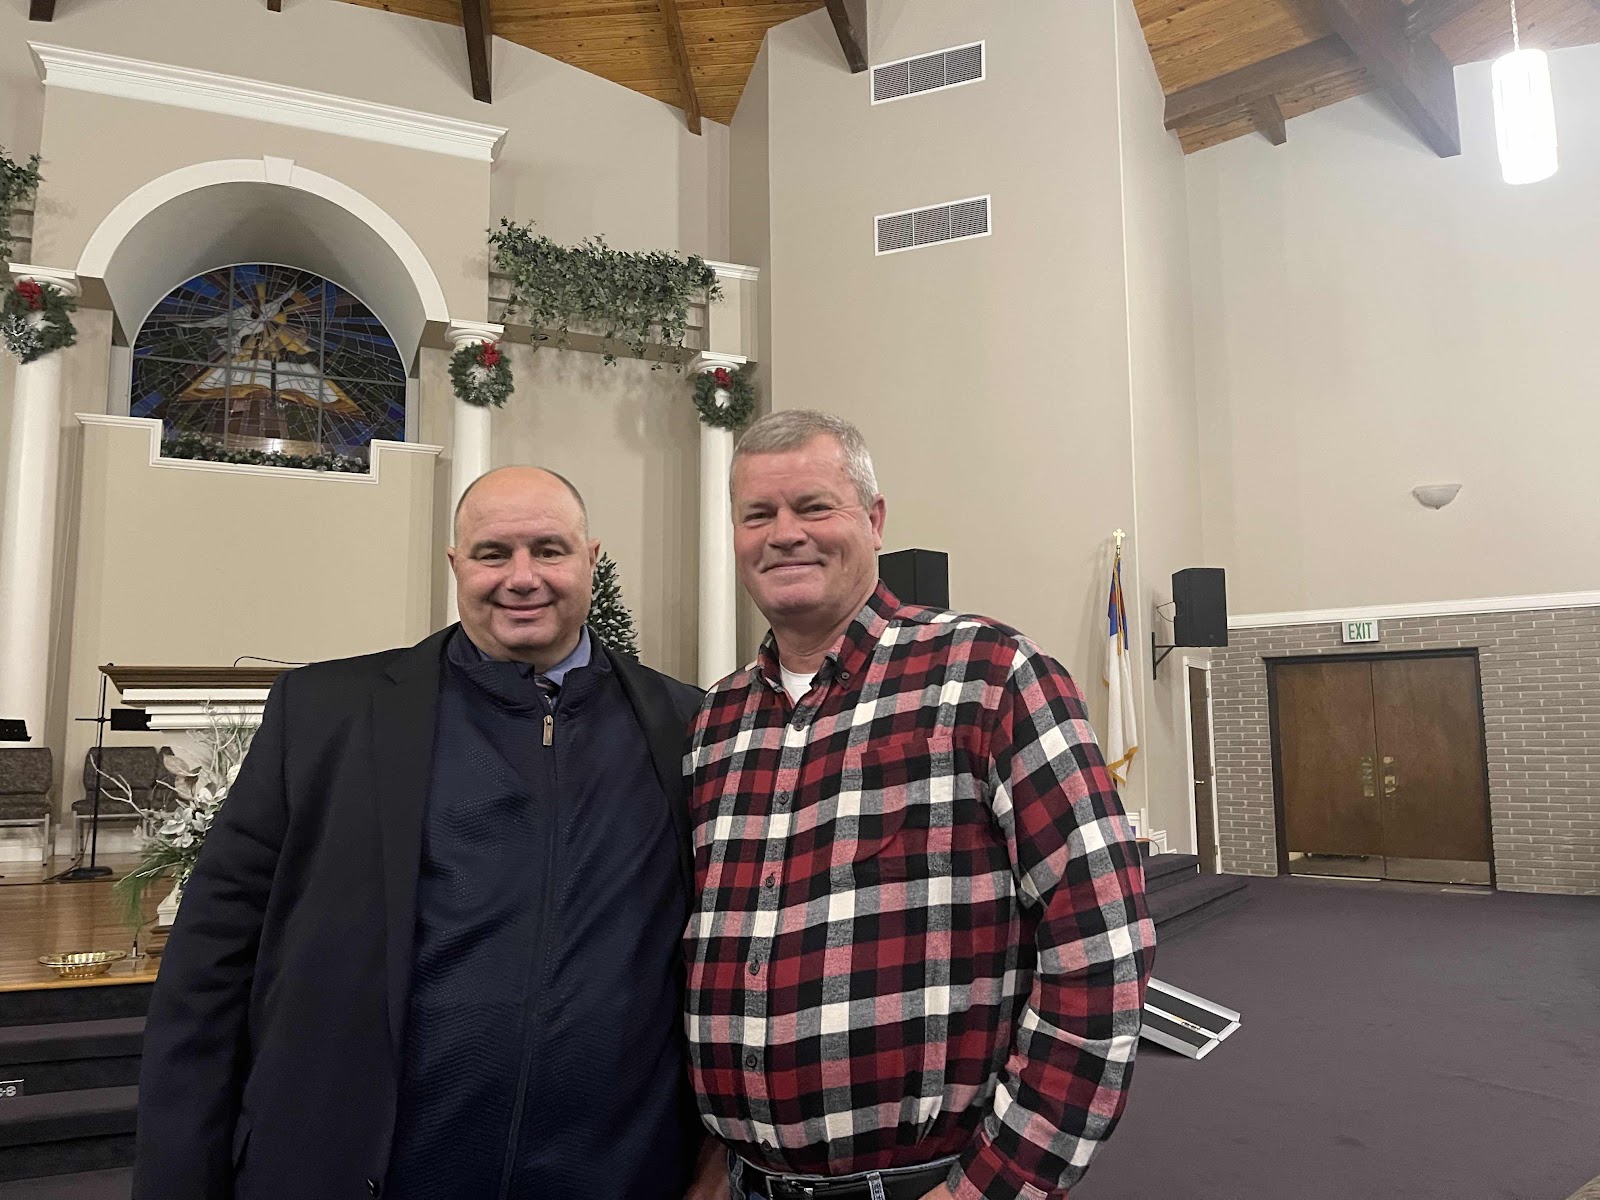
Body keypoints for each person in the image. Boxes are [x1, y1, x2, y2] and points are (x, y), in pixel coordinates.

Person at [135, 466, 711, 1200]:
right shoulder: (326, 716)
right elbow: (210, 964)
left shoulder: (686, 725)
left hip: (615, 1173)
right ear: (455, 564)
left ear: (591, 559)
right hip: (368, 1167)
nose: (523, 577)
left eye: (549, 550)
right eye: (493, 554)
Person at [684, 412, 1155, 1200]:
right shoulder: (715, 725)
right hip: (747, 1183)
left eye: (814, 507)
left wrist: (994, 1186)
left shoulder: (990, 675)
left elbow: (1101, 947)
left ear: (874, 521)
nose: (784, 534)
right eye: (757, 514)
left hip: (929, 1183)